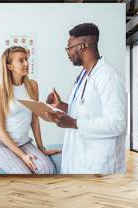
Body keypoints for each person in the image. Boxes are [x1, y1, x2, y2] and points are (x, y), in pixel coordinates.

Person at [46, 23, 127, 174]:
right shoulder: (85, 75)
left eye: (69, 48)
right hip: (80, 160)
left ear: (82, 46)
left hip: (99, 166)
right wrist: (61, 106)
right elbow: (85, 110)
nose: (68, 53)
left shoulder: (108, 77)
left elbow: (117, 123)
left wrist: (74, 123)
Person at [0, 46, 59, 174]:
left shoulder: (32, 86)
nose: (26, 63)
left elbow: (34, 120)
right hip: (0, 144)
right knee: (24, 174)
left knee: (47, 169)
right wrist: (22, 156)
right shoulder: (0, 90)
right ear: (10, 66)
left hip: (24, 142)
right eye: (21, 60)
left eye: (26, 59)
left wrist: (41, 147)